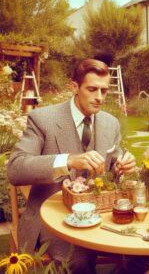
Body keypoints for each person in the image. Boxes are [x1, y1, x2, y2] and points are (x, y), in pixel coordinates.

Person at [7, 59, 136, 274]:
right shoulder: (43, 119)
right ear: (74, 87)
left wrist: (123, 164)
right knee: (78, 261)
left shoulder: (110, 123)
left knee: (137, 251)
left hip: (101, 214)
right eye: (92, 89)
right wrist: (67, 160)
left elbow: (113, 161)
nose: (99, 97)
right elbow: (16, 169)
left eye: (104, 91)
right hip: (52, 216)